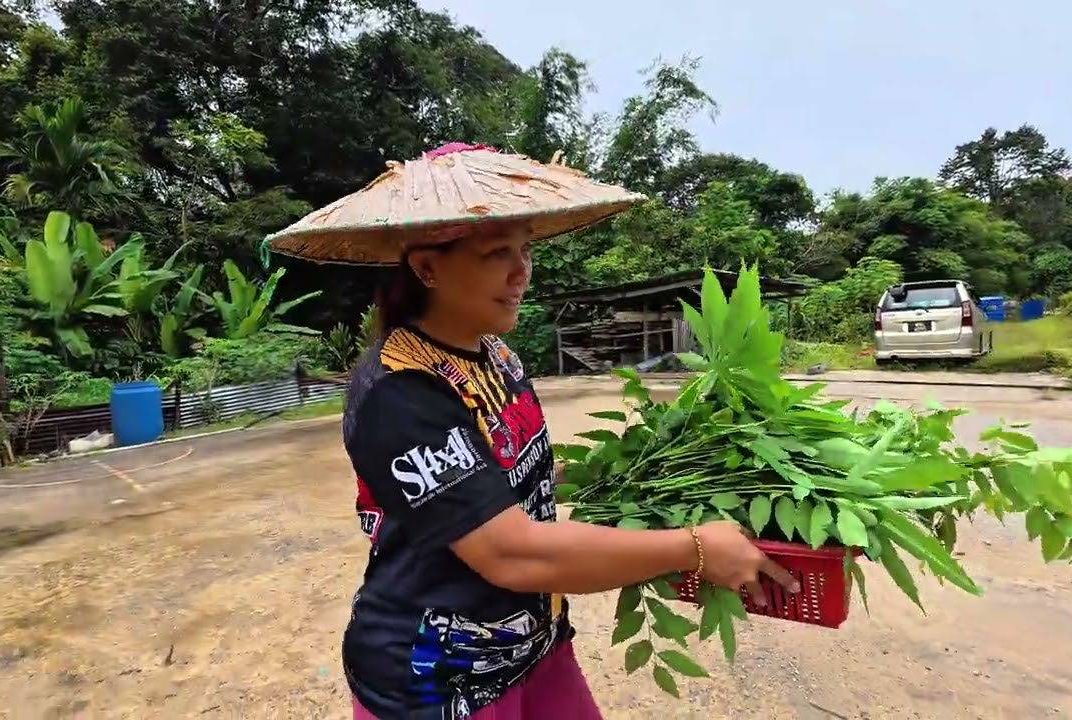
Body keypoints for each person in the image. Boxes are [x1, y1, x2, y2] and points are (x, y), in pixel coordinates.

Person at [262, 144, 800, 720]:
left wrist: (610, 474)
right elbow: (510, 552)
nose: (522, 272)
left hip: (533, 645)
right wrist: (692, 547)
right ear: (427, 268)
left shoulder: (499, 358)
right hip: (438, 679)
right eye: (497, 254)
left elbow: (501, 477)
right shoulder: (399, 389)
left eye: (525, 250)